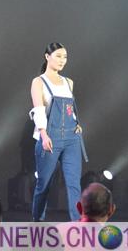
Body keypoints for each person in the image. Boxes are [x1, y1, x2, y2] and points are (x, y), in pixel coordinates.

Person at [30, 42, 88, 221]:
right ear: (47, 57)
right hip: (50, 136)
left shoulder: (68, 82)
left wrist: (76, 123)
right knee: (43, 185)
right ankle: (37, 223)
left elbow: (70, 108)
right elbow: (38, 110)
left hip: (72, 138)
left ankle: (78, 225)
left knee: (74, 185)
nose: (62, 60)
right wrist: (43, 135)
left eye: (65, 57)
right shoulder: (38, 82)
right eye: (58, 56)